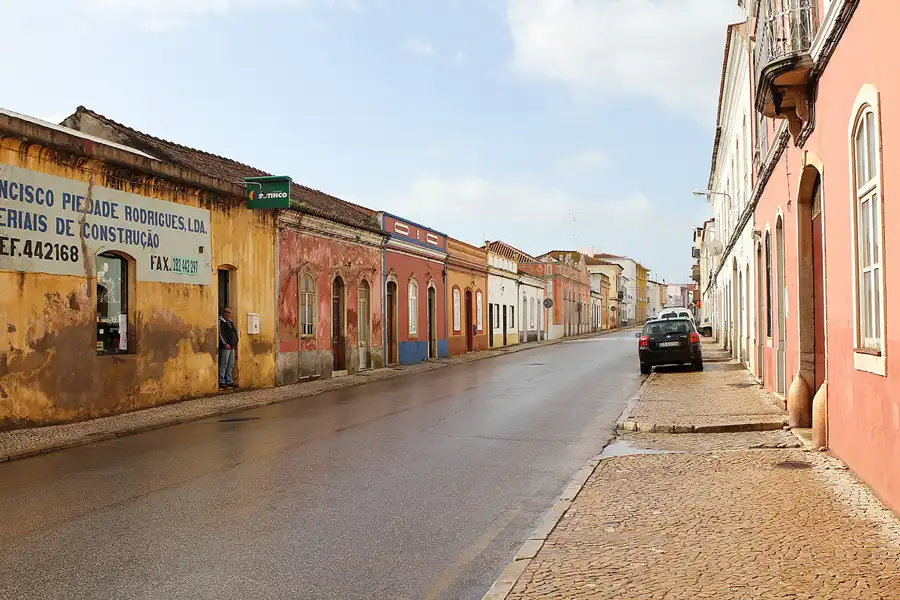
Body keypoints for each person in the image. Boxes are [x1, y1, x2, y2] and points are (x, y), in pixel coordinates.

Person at [219, 306, 238, 389]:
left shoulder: (231, 322)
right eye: (225, 312)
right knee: (224, 364)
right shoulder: (221, 322)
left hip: (232, 347)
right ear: (223, 313)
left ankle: (229, 381)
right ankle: (221, 381)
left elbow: (235, 332)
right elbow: (220, 334)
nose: (227, 314)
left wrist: (236, 342)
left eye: (229, 312)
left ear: (231, 314)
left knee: (231, 364)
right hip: (225, 347)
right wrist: (225, 343)